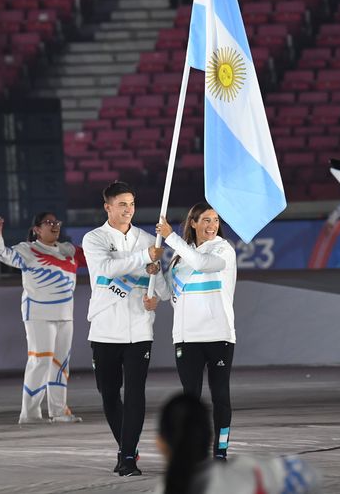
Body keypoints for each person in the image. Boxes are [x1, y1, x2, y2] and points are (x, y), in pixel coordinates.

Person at [82, 181, 165, 477]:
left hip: (139, 330)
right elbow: (106, 270)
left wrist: (156, 286)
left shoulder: (147, 238)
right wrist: (145, 259)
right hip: (104, 329)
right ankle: (125, 445)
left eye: (131, 203)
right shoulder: (94, 239)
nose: (128, 209)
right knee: (108, 394)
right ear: (108, 207)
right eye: (122, 204)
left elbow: (162, 289)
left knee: (135, 394)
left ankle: (127, 456)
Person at [154, 202, 237, 460]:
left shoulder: (224, 249)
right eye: (206, 220)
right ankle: (192, 449)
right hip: (186, 339)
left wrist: (170, 237)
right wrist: (155, 273)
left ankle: (220, 449)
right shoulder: (180, 257)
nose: (212, 226)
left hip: (218, 335)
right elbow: (167, 293)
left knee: (220, 395)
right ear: (193, 222)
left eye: (215, 220)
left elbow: (202, 264)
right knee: (190, 399)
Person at [0, 212, 84, 424]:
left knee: (60, 364)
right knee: (40, 361)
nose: (54, 225)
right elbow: (4, 254)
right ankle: (30, 414)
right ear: (36, 230)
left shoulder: (68, 249)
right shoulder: (28, 249)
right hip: (38, 314)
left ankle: (59, 412)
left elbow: (94, 258)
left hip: (65, 314)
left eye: (56, 222)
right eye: (48, 222)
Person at [156, 393, 321, 494]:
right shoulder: (258, 473)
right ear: (210, 436)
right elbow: (306, 476)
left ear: (160, 443)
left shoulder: (164, 490)